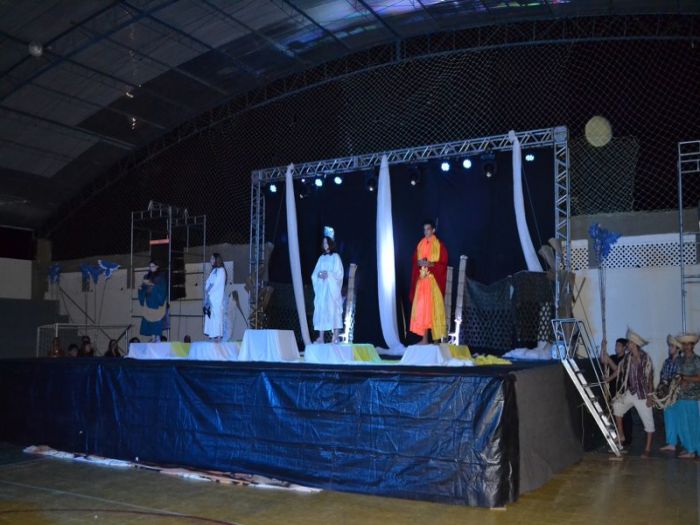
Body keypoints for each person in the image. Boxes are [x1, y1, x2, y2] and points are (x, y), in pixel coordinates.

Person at [604, 329, 655, 457]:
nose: (628, 345)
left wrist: (650, 396)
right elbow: (618, 370)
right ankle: (621, 435)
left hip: (643, 394)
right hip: (631, 392)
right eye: (628, 343)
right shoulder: (628, 357)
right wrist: (608, 379)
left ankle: (647, 449)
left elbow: (650, 377)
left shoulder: (645, 358)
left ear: (635, 344)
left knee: (648, 423)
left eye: (630, 343)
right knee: (617, 405)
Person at [409, 220, 448, 344]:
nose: (426, 232)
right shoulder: (420, 245)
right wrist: (419, 263)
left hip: (433, 283)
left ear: (433, 230)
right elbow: (415, 261)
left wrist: (430, 264)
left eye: (428, 229)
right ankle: (424, 339)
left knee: (434, 310)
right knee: (423, 311)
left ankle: (436, 341)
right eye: (424, 229)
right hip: (422, 282)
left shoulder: (439, 245)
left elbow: (443, 263)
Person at [311, 228, 344, 344]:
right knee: (321, 310)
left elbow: (339, 273)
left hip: (331, 289)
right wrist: (320, 275)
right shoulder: (321, 258)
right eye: (323, 242)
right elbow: (315, 273)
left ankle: (335, 336)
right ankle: (321, 337)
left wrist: (328, 274)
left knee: (333, 310)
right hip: (322, 289)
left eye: (326, 242)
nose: (325, 244)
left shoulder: (336, 257)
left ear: (330, 243)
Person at [601, 337, 633, 446]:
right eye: (616, 345)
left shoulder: (626, 358)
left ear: (624, 348)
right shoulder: (613, 357)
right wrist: (603, 348)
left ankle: (627, 438)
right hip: (613, 388)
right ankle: (620, 436)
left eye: (618, 346)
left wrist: (608, 379)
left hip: (623, 389)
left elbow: (618, 370)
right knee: (616, 413)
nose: (616, 347)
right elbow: (603, 360)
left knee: (626, 415)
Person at [674, 333, 700, 458]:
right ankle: (689, 447)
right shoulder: (680, 359)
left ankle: (695, 449)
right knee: (682, 424)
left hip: (692, 396)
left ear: (692, 346)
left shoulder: (697, 360)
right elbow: (678, 375)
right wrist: (680, 380)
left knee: (693, 424)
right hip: (681, 395)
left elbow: (699, 377)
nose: (686, 346)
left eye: (688, 344)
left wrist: (686, 378)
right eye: (684, 344)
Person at [658, 335, 683, 452]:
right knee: (668, 417)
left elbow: (679, 378)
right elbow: (662, 376)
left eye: (672, 346)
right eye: (670, 346)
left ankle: (686, 443)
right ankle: (671, 443)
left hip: (678, 395)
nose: (669, 348)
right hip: (667, 395)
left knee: (680, 419)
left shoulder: (681, 362)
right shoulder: (667, 361)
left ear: (678, 349)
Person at [138, 260, 167, 342]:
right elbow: (143, 287)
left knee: (157, 320)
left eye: (153, 266)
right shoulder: (146, 276)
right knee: (149, 319)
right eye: (150, 266)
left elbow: (162, 288)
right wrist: (141, 288)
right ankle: (153, 336)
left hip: (156, 301)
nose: (151, 268)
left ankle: (157, 337)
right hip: (148, 301)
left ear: (157, 266)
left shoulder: (161, 277)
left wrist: (152, 285)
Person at [204, 253, 227, 343]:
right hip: (210, 297)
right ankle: (212, 335)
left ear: (217, 259)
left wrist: (209, 290)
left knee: (217, 316)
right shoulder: (213, 271)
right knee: (211, 317)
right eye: (211, 259)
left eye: (213, 259)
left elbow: (217, 284)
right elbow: (208, 282)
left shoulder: (221, 271)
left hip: (216, 298)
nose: (211, 260)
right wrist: (207, 289)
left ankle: (218, 337)